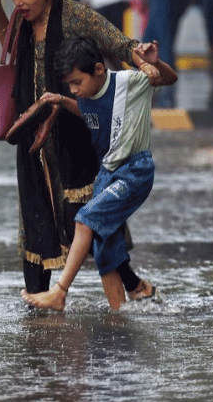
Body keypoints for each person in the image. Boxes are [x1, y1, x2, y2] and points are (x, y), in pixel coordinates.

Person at [0, 0, 158, 297]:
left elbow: (116, 42)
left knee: (86, 215)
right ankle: (36, 299)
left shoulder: (75, 15)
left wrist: (141, 55)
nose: (19, 2)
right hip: (32, 131)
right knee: (36, 213)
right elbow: (12, 52)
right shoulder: (19, 18)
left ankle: (132, 285)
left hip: (75, 130)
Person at [20, 36, 177, 311]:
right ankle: (119, 314)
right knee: (105, 249)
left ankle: (59, 292)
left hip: (134, 170)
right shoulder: (86, 94)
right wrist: (61, 100)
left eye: (77, 82)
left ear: (99, 69)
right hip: (107, 173)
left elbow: (169, 79)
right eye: (69, 85)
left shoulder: (129, 83)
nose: (74, 90)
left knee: (85, 221)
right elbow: (88, 113)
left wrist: (155, 64)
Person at [134, 0, 176, 108]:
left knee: (162, 40)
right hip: (152, 7)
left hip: (161, 5)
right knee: (148, 38)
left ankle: (166, 71)